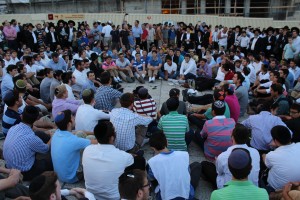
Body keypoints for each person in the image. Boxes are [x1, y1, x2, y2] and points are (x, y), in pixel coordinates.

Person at [82, 120, 134, 200]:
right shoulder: (123, 156)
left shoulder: (87, 150)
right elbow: (132, 160)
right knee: (132, 173)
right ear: (112, 138)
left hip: (91, 194)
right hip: (113, 197)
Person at [201, 124, 260, 189]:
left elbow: (219, 173)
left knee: (205, 164)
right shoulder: (256, 152)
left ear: (232, 137)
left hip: (228, 188)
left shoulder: (224, 156)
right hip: (252, 188)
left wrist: (217, 162)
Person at [3, 106, 52, 181]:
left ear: (21, 116)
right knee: (48, 163)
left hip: (9, 165)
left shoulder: (13, 128)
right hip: (23, 172)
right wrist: (52, 137)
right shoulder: (31, 138)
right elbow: (46, 149)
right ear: (36, 119)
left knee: (39, 133)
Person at [51, 110, 97, 183]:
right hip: (72, 177)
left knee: (80, 133)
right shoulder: (73, 140)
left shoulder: (57, 133)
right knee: (90, 139)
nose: (74, 118)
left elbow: (77, 132)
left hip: (60, 175)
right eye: (72, 117)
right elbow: (97, 142)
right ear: (69, 124)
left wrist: (94, 132)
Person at [148, 131, 194, 200]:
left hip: (165, 197)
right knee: (196, 166)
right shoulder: (183, 155)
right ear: (167, 142)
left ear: (153, 148)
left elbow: (152, 177)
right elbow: (188, 173)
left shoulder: (152, 162)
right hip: (187, 195)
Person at [262, 125, 300, 192]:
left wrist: (263, 155)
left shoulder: (271, 155)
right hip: (297, 187)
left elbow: (266, 163)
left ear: (275, 140)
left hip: (277, 189)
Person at [29, 171, 96, 200]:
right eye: (59, 187)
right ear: (52, 197)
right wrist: (84, 191)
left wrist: (70, 192)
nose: (60, 187)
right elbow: (91, 198)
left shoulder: (37, 195)